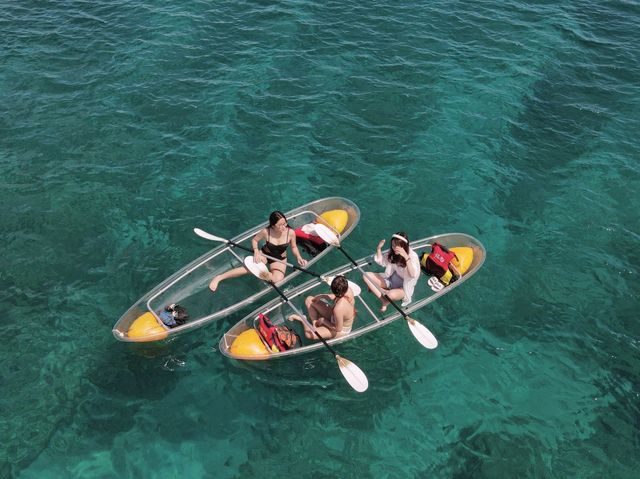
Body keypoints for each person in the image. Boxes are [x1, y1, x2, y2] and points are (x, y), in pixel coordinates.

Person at [209, 210, 308, 291]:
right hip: (265, 254)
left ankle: (261, 273)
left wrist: (299, 257)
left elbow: (294, 247)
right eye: (280, 225)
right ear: (273, 225)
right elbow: (255, 240)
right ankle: (220, 277)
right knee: (247, 269)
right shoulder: (266, 231)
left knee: (278, 280)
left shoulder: (290, 232)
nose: (283, 227)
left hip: (279, 258)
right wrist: (256, 252)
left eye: (285, 223)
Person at [362, 231, 420, 311]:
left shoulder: (413, 256)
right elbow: (382, 261)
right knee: (366, 275)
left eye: (397, 246)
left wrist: (406, 257)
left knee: (390, 295)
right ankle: (384, 300)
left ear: (404, 246)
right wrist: (378, 248)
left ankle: (384, 293)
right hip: (390, 280)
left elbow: (413, 274)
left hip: (403, 287)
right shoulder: (393, 253)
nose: (394, 248)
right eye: (393, 245)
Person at [288, 275, 356, 340]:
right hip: (334, 316)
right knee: (310, 300)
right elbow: (335, 296)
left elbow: (338, 328)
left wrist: (324, 321)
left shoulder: (338, 308)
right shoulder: (346, 290)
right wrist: (322, 296)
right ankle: (315, 325)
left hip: (341, 330)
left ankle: (303, 320)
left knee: (309, 334)